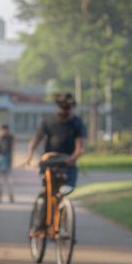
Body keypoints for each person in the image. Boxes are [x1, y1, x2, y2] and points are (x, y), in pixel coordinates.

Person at [22, 92, 87, 232]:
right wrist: (29, 157)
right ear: (59, 107)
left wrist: (72, 158)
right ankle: (40, 225)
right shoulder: (48, 121)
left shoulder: (77, 123)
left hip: (68, 162)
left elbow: (80, 147)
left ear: (72, 107)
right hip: (49, 161)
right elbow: (36, 140)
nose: (66, 110)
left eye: (68, 107)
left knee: (65, 189)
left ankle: (61, 218)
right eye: (63, 107)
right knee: (47, 193)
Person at [0, 124, 15, 203]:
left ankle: (10, 195)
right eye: (2, 130)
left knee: (8, 179)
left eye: (4, 130)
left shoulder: (9, 138)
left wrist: (11, 160)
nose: (3, 131)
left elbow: (11, 149)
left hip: (6, 159)